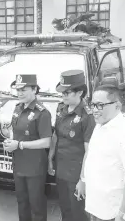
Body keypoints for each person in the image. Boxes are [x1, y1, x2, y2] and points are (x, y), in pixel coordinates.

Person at [84, 80, 125, 221]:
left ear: (117, 106)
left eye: (100, 105)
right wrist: (83, 180)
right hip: (97, 206)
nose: (94, 110)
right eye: (93, 105)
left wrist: (124, 212)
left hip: (114, 212)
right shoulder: (100, 125)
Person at [3, 74, 52, 221]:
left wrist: (19, 145)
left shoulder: (42, 113)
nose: (20, 93)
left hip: (34, 167)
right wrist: (10, 141)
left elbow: (46, 142)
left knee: (36, 205)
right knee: (22, 202)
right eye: (17, 89)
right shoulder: (18, 108)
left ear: (34, 89)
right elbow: (16, 133)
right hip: (19, 164)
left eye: (24, 89)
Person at [48, 70, 95, 221]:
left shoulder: (87, 116)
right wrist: (50, 159)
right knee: (65, 209)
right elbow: (55, 136)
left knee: (78, 213)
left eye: (67, 92)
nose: (64, 95)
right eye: (62, 92)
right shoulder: (61, 108)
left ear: (80, 92)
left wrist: (83, 180)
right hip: (61, 169)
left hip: (76, 173)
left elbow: (89, 151)